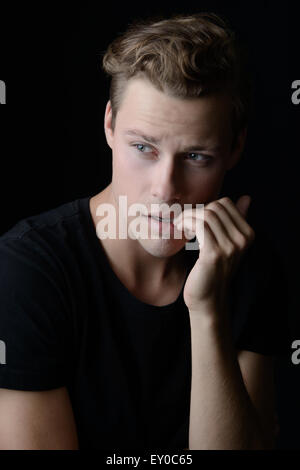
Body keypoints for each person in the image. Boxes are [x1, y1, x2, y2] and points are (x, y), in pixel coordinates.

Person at [0, 12, 290, 450]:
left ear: (234, 149)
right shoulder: (29, 268)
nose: (165, 190)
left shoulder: (248, 265)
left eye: (196, 157)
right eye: (143, 148)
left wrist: (207, 308)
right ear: (109, 126)